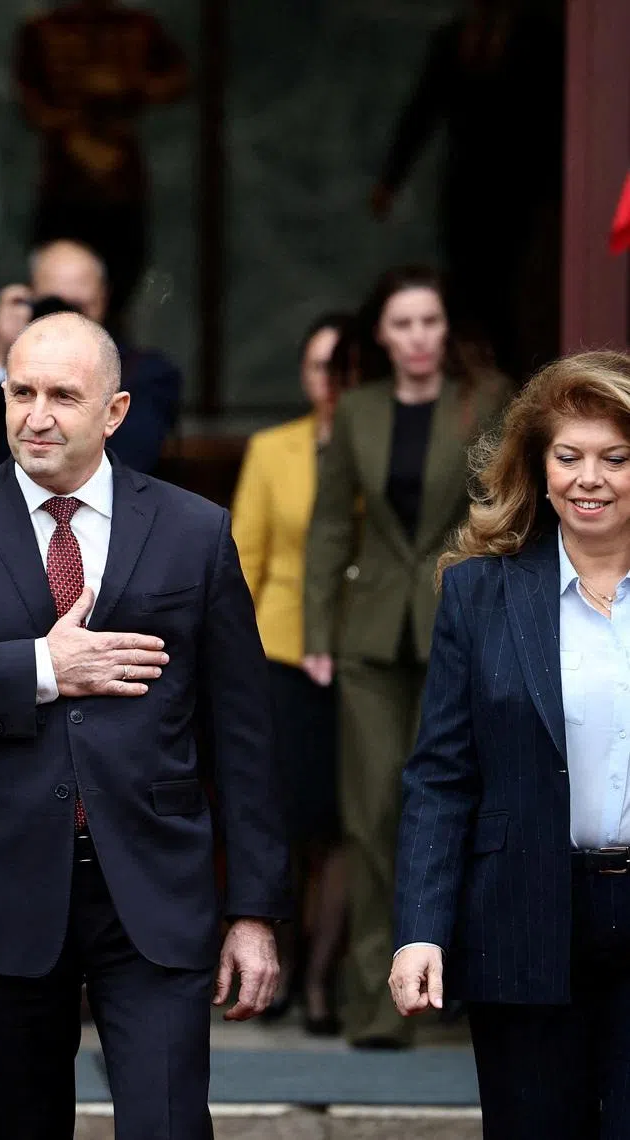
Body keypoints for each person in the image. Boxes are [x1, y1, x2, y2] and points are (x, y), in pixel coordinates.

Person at [0, 311, 290, 1140]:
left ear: (115, 412)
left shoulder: (194, 532)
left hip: (152, 887)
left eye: (62, 395)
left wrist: (256, 911)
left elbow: (244, 736)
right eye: (21, 392)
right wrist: (43, 669)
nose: (36, 415)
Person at [390, 350, 630, 1137]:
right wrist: (421, 928)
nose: (588, 478)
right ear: (539, 464)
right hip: (521, 920)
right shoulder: (479, 591)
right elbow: (441, 778)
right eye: (569, 456)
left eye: (615, 458)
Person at [302, 265, 509, 1048]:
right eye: (403, 324)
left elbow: (510, 511)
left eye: (430, 322)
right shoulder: (355, 411)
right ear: (381, 336)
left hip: (464, 626)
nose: (419, 338)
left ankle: (455, 979)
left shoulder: (486, 402)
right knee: (371, 813)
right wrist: (317, 631)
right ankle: (378, 1000)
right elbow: (328, 527)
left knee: (459, 805)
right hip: (369, 634)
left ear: (445, 330)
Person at [230, 312, 352, 1035]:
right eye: (317, 366)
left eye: (342, 366)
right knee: (278, 824)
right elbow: (244, 558)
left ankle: (319, 981)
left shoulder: (376, 442)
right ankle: (270, 971)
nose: (330, 380)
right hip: (277, 654)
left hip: (353, 657)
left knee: (339, 830)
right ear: (303, 376)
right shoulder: (272, 449)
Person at [370, 0, 563, 379]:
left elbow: (555, 119)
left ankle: (513, 381)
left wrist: (555, 193)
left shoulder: (538, 38)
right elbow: (420, 112)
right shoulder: (454, 38)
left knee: (512, 293)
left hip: (521, 194)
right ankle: (469, 375)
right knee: (464, 287)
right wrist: (390, 181)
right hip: (464, 190)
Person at [0, 238, 181, 481]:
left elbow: (128, 464)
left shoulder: (144, 373)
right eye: (53, 304)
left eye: (77, 306)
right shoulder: (9, 368)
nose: (65, 318)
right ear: (29, 298)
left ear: (103, 300)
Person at [14, 0, 190, 318]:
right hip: (64, 189)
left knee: (119, 296)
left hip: (120, 190)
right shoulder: (42, 31)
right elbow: (30, 105)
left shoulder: (138, 28)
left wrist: (127, 91)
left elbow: (178, 79)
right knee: (55, 296)